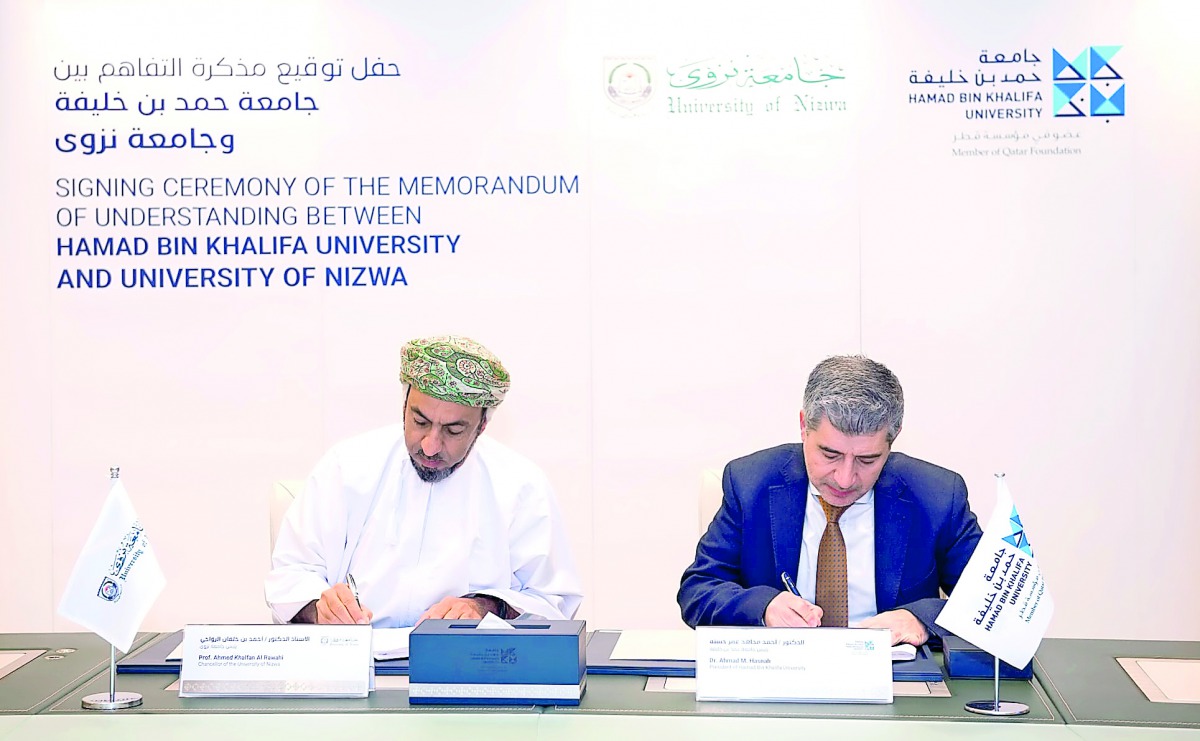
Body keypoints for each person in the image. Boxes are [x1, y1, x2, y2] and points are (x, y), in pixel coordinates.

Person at [265, 335, 582, 627]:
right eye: (420, 422)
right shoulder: (346, 466)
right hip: (355, 659)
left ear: (482, 426)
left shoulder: (521, 486)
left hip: (463, 664)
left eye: (453, 430)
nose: (430, 446)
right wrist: (319, 607)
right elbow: (290, 576)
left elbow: (552, 601)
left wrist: (486, 606)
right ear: (404, 406)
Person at [677, 355, 982, 647]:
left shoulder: (938, 496)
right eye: (830, 454)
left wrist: (919, 620)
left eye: (867, 459)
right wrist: (764, 607)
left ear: (893, 438)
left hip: (892, 672)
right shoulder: (750, 483)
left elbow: (993, 604)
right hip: (783, 669)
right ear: (803, 426)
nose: (845, 478)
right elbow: (698, 589)